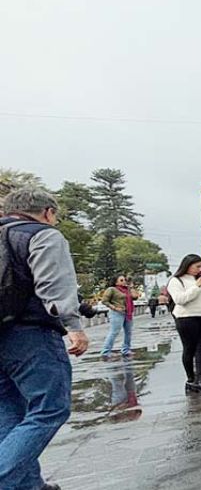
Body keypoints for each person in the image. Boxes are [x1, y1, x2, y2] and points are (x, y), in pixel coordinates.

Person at [0, 187, 89, 490]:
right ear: (49, 212)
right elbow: (54, 285)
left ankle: (29, 484)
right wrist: (74, 326)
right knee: (51, 408)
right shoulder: (42, 235)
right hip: (30, 334)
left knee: (9, 410)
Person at [167, 255, 201, 394]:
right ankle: (191, 379)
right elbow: (180, 299)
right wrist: (197, 286)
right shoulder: (176, 280)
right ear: (187, 265)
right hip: (186, 317)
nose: (200, 269)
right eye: (197, 266)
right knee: (189, 349)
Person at [99, 274, 136, 359]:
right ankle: (106, 351)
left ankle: (126, 349)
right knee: (114, 332)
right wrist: (114, 308)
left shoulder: (127, 290)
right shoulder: (112, 289)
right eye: (121, 280)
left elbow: (135, 297)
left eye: (124, 280)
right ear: (116, 282)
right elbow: (104, 301)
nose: (124, 282)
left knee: (128, 332)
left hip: (128, 313)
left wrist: (131, 286)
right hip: (116, 313)